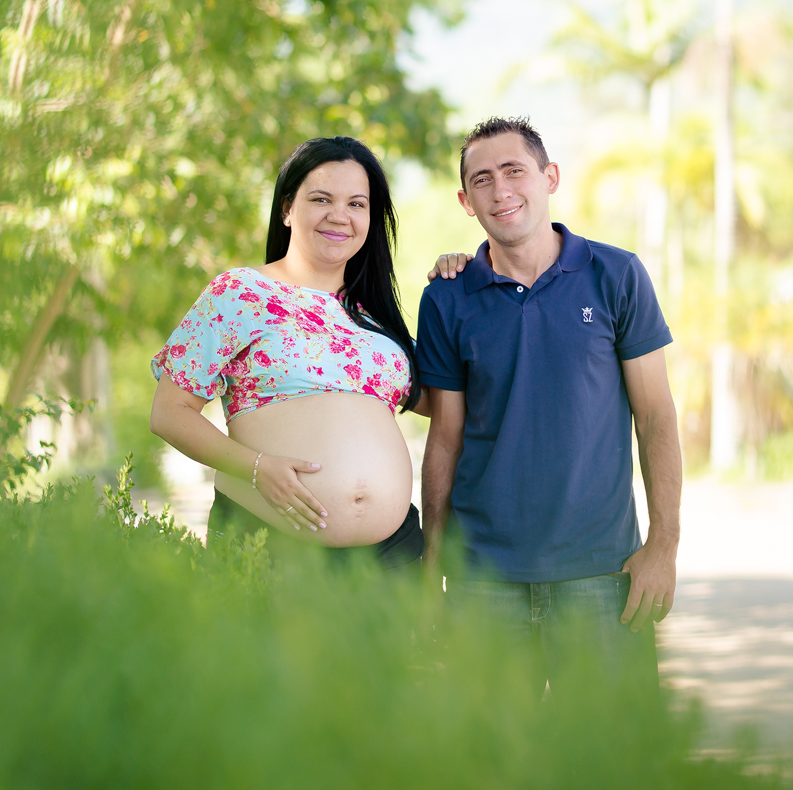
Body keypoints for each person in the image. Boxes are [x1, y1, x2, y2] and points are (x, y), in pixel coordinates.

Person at [417, 117, 681, 695]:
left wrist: (663, 544)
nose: (501, 190)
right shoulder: (445, 298)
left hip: (602, 575)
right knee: (488, 767)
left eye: (515, 171)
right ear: (466, 201)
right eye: (482, 180)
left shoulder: (616, 276)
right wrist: (432, 562)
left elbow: (656, 415)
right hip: (483, 580)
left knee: (612, 763)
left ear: (549, 177)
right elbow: (445, 437)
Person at [149, 136, 427, 568]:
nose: (340, 215)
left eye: (357, 204)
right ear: (286, 208)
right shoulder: (240, 293)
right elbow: (169, 412)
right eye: (321, 199)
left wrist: (463, 281)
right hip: (272, 544)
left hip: (390, 558)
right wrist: (256, 468)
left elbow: (443, 399)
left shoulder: (378, 318)